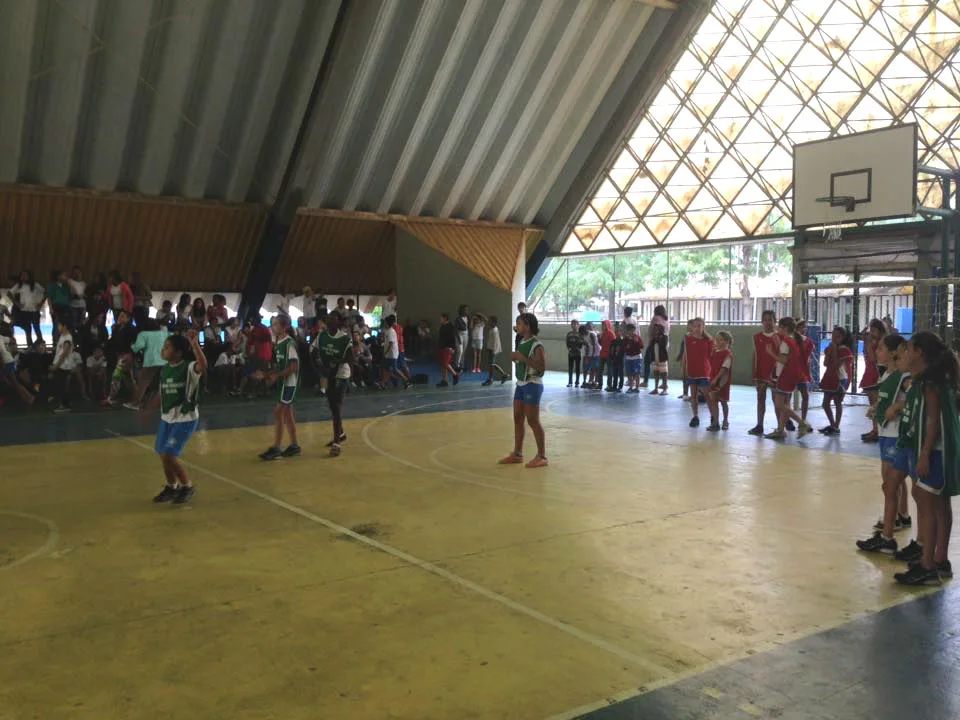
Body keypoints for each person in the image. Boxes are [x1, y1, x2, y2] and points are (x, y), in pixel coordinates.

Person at [893, 331, 960, 585]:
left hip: (936, 451)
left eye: (909, 349)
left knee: (928, 502)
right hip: (942, 450)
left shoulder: (931, 382)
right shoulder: (935, 378)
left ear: (919, 352)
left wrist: (924, 453)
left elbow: (933, 421)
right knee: (940, 504)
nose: (906, 354)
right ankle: (939, 559)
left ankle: (928, 565)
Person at [857, 334, 912, 554]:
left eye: (880, 348)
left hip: (896, 433)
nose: (876, 351)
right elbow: (888, 396)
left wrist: (896, 408)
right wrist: (878, 406)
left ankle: (892, 527)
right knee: (894, 481)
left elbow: (911, 396)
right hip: (886, 432)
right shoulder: (887, 375)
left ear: (893, 353)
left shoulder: (904, 376)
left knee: (890, 482)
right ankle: (902, 515)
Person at [145, 331, 206, 505]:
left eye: (167, 347)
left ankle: (187, 486)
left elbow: (203, 365)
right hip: (167, 418)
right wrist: (150, 407)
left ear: (178, 352)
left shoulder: (188, 368)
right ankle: (172, 487)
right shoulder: (165, 370)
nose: (163, 350)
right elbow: (161, 392)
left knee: (169, 454)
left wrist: (195, 344)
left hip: (185, 419)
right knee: (163, 455)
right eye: (163, 347)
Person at [500, 312, 547, 469]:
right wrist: (517, 359)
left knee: (533, 420)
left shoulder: (536, 345)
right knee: (518, 418)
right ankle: (518, 453)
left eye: (519, 323)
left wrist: (522, 359)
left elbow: (541, 368)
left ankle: (542, 456)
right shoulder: (522, 341)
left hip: (532, 384)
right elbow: (523, 360)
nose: (517, 326)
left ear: (527, 326)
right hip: (521, 384)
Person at [257, 315, 301, 460]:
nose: (273, 326)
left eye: (275, 324)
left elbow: (294, 367)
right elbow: (280, 366)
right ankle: (294, 445)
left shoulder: (289, 344)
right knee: (288, 415)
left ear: (284, 327)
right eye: (272, 324)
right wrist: (267, 374)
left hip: (289, 384)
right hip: (284, 383)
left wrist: (277, 376)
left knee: (279, 413)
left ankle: (277, 447)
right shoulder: (278, 343)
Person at [764, 317, 813, 440]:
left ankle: (802, 423)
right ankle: (781, 430)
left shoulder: (786, 341)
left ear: (784, 328)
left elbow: (783, 360)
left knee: (780, 404)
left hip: (784, 375)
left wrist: (770, 353)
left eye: (779, 327)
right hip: (792, 375)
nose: (777, 329)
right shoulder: (795, 340)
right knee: (785, 403)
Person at [314, 312, 354, 455]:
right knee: (331, 404)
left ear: (338, 323)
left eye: (333, 320)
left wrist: (336, 362)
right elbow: (314, 351)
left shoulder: (344, 338)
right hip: (328, 374)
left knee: (336, 405)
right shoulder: (321, 336)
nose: (330, 322)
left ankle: (337, 442)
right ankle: (341, 434)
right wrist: (320, 366)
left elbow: (350, 357)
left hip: (341, 374)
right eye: (328, 320)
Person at [125, 319, 170, 410]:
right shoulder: (163, 333)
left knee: (143, 383)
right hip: (165, 360)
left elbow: (138, 346)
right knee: (164, 383)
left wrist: (132, 346)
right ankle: (166, 403)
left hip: (151, 361)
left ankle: (136, 403)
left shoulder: (144, 334)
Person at [749, 310, 779, 436]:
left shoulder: (779, 337)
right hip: (761, 373)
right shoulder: (757, 337)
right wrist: (754, 373)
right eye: (765, 320)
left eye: (770, 320)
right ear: (762, 322)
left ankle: (781, 425)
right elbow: (755, 355)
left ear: (774, 321)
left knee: (777, 400)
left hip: (775, 374)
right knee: (760, 398)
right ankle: (759, 425)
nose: (767, 322)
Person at [819, 326, 854, 435]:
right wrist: (829, 352)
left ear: (842, 338)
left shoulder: (844, 350)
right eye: (833, 336)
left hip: (840, 379)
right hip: (830, 377)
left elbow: (836, 364)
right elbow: (825, 363)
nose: (834, 338)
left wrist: (833, 349)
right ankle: (833, 424)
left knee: (837, 401)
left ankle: (836, 426)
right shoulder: (830, 347)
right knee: (825, 403)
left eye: (837, 337)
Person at [860, 318, 888, 443]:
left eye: (874, 330)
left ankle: (879, 430)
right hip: (870, 371)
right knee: (872, 402)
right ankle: (875, 429)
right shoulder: (874, 340)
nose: (871, 332)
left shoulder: (881, 342)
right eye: (870, 330)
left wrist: (868, 343)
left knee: (876, 402)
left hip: (876, 372)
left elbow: (872, 358)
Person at [683, 318, 712, 427]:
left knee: (707, 395)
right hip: (692, 371)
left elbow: (711, 356)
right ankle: (695, 416)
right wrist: (685, 368)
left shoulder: (708, 340)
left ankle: (713, 416)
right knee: (693, 396)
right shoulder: (687, 339)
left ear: (703, 326)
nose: (697, 328)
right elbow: (686, 355)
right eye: (695, 326)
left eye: (699, 326)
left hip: (704, 372)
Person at [8, 270, 45, 346]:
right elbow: (9, 293)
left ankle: (41, 346)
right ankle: (30, 346)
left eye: (25, 275)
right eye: (22, 275)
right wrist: (17, 303)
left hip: (34, 310)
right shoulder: (18, 285)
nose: (23, 277)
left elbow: (45, 292)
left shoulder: (35, 284)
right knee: (28, 330)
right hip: (24, 311)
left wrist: (41, 304)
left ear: (29, 276)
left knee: (36, 328)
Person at [707, 331, 733, 431]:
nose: (717, 341)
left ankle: (725, 420)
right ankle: (715, 423)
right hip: (713, 379)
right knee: (713, 401)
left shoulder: (728, 354)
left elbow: (724, 369)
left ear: (727, 341)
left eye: (721, 340)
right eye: (716, 339)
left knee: (723, 401)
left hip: (722, 382)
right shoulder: (715, 352)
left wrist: (716, 379)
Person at [50, 316, 75, 413]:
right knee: (61, 385)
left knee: (62, 386)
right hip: (59, 364)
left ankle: (64, 406)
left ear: (65, 326)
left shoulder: (68, 338)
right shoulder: (62, 336)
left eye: (59, 325)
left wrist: (56, 365)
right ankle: (66, 403)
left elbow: (64, 353)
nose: (58, 327)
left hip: (63, 366)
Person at [641, 305, 669, 389]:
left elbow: (653, 331)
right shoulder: (666, 319)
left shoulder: (656, 318)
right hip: (665, 344)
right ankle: (664, 383)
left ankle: (646, 381)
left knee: (648, 361)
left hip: (655, 344)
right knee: (663, 364)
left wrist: (651, 341)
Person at [795, 319, 816, 423]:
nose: (804, 329)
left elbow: (808, 360)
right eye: (801, 327)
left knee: (805, 395)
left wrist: (809, 373)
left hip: (802, 372)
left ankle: (803, 419)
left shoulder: (808, 342)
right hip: (792, 371)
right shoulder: (791, 340)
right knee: (787, 397)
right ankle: (787, 420)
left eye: (805, 327)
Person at [436, 313, 460, 388]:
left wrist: (452, 348)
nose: (440, 320)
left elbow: (453, 338)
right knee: (443, 364)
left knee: (446, 363)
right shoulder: (442, 327)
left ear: (445, 318)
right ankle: (445, 380)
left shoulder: (450, 327)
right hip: (442, 347)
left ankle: (455, 375)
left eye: (441, 318)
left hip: (448, 348)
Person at [482, 316, 506, 386]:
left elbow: (495, 342)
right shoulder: (492, 329)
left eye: (490, 321)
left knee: (491, 365)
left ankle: (490, 379)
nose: (488, 322)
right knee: (492, 364)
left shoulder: (494, 330)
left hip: (493, 350)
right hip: (490, 349)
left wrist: (494, 351)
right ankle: (504, 374)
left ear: (494, 322)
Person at [649, 321, 669, 395]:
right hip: (655, 358)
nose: (656, 331)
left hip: (662, 358)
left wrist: (657, 338)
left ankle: (665, 389)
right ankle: (656, 388)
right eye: (655, 329)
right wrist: (654, 338)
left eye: (657, 329)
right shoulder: (653, 338)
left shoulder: (664, 337)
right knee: (656, 373)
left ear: (661, 330)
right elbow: (650, 346)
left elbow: (663, 345)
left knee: (664, 374)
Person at [623, 324, 644, 393]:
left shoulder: (637, 337)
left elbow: (642, 346)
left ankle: (637, 387)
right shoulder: (625, 338)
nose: (630, 332)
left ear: (634, 330)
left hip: (636, 357)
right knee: (629, 373)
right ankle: (630, 387)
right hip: (628, 357)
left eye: (632, 330)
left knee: (637, 373)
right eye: (628, 330)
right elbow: (624, 347)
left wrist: (636, 342)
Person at [67, 266, 87, 331]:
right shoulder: (70, 281)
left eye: (78, 272)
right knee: (73, 323)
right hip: (73, 305)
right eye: (75, 272)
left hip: (82, 305)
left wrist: (83, 296)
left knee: (81, 323)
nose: (77, 274)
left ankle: (80, 338)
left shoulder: (84, 284)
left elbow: (85, 294)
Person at [607, 324, 625, 392]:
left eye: (618, 331)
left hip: (620, 360)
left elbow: (623, 351)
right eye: (616, 331)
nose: (617, 333)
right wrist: (611, 358)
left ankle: (620, 386)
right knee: (615, 374)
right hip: (614, 360)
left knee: (621, 374)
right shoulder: (613, 341)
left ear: (621, 332)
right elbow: (611, 351)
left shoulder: (623, 341)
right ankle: (614, 386)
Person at [565, 319, 583, 388]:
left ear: (578, 325)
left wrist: (579, 348)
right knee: (570, 368)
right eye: (573, 324)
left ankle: (577, 382)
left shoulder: (580, 334)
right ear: (571, 325)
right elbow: (567, 342)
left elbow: (581, 342)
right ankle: (570, 382)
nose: (574, 325)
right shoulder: (569, 334)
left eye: (576, 324)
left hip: (578, 353)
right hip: (571, 353)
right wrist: (569, 349)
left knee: (577, 368)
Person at [582, 323, 599, 389]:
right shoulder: (583, 336)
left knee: (594, 368)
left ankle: (595, 382)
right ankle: (588, 381)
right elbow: (587, 347)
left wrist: (591, 356)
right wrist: (586, 356)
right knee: (587, 367)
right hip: (589, 352)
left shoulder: (592, 334)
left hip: (596, 353)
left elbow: (594, 347)